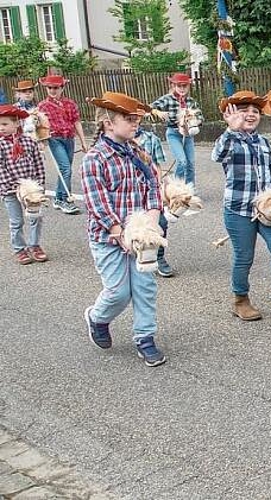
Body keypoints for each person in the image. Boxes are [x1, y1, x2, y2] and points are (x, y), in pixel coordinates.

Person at [80, 92, 166, 367]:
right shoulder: (95, 159)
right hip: (108, 237)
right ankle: (97, 317)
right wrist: (120, 233)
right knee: (118, 291)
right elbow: (97, 202)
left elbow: (153, 186)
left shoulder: (139, 152)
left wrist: (152, 222)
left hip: (142, 237)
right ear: (108, 123)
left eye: (136, 120)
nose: (135, 124)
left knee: (145, 287)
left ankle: (145, 337)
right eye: (129, 120)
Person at [211, 91, 271, 322]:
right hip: (238, 210)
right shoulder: (230, 140)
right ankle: (240, 300)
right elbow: (217, 155)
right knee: (244, 256)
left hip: (267, 213)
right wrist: (232, 129)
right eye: (244, 110)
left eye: (255, 112)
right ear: (233, 115)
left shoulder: (263, 142)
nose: (250, 115)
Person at [0, 104, 46, 265]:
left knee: (36, 217)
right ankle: (20, 248)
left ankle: (35, 245)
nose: (1, 128)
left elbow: (38, 163)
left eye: (5, 124)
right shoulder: (1, 144)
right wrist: (12, 185)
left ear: (17, 123)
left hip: (31, 190)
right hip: (10, 190)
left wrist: (39, 185)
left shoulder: (29, 142)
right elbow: (1, 169)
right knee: (16, 221)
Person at [38, 72, 87, 215]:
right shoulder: (42, 106)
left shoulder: (70, 103)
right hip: (55, 139)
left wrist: (83, 142)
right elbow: (39, 125)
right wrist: (42, 140)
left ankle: (58, 198)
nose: (53, 91)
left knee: (64, 169)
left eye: (56, 88)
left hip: (69, 139)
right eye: (49, 88)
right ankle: (66, 199)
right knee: (66, 168)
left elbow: (76, 122)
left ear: (62, 88)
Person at [133, 123, 175, 277]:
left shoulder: (151, 139)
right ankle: (136, 256)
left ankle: (159, 257)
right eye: (129, 117)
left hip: (149, 189)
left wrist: (158, 185)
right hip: (129, 194)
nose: (134, 121)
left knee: (161, 223)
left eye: (136, 117)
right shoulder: (118, 142)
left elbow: (156, 165)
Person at [150, 73, 204, 187]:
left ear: (188, 87)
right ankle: (176, 188)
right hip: (173, 133)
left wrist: (193, 120)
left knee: (190, 163)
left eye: (185, 86)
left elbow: (200, 117)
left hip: (188, 134)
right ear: (173, 86)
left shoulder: (191, 101)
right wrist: (158, 112)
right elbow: (149, 108)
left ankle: (190, 188)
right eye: (179, 86)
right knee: (182, 161)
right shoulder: (167, 99)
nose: (182, 89)